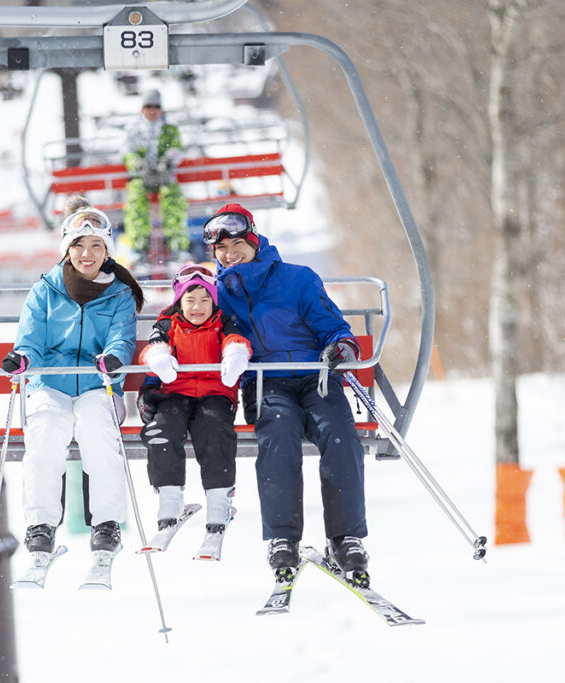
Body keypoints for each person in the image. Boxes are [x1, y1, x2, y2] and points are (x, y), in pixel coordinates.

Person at [203, 203, 369, 581]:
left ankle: (345, 538)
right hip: (265, 381)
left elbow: (332, 326)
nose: (230, 255)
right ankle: (282, 538)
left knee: (340, 434)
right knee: (278, 436)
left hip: (315, 376)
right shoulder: (214, 294)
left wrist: (342, 346)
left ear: (254, 240)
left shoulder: (298, 279)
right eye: (222, 250)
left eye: (237, 245)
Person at [1, 195, 146, 559]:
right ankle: (41, 524)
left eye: (96, 245)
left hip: (98, 384)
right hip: (50, 383)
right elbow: (31, 338)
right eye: (79, 245)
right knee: (46, 432)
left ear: (107, 251)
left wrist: (113, 358)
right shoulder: (45, 291)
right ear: (67, 249)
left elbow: (122, 337)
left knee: (98, 433)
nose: (87, 253)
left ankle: (107, 522)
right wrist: (22, 358)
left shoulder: (120, 295)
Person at [137, 263, 252, 545]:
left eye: (205, 300)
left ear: (214, 301)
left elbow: (237, 340)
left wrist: (236, 353)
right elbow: (154, 346)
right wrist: (158, 358)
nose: (198, 307)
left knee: (214, 430)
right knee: (161, 430)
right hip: (175, 393)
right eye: (190, 300)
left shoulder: (224, 322)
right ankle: (169, 499)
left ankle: (218, 501)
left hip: (215, 393)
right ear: (179, 301)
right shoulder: (167, 323)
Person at [123, 88, 189, 264]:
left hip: (164, 176)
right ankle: (139, 247)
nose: (152, 110)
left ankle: (177, 245)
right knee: (136, 198)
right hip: (141, 178)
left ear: (161, 109)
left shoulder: (169, 129)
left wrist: (167, 162)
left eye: (156, 106)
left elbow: (176, 149)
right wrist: (138, 164)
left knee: (173, 197)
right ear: (142, 109)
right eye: (148, 106)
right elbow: (128, 152)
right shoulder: (134, 130)